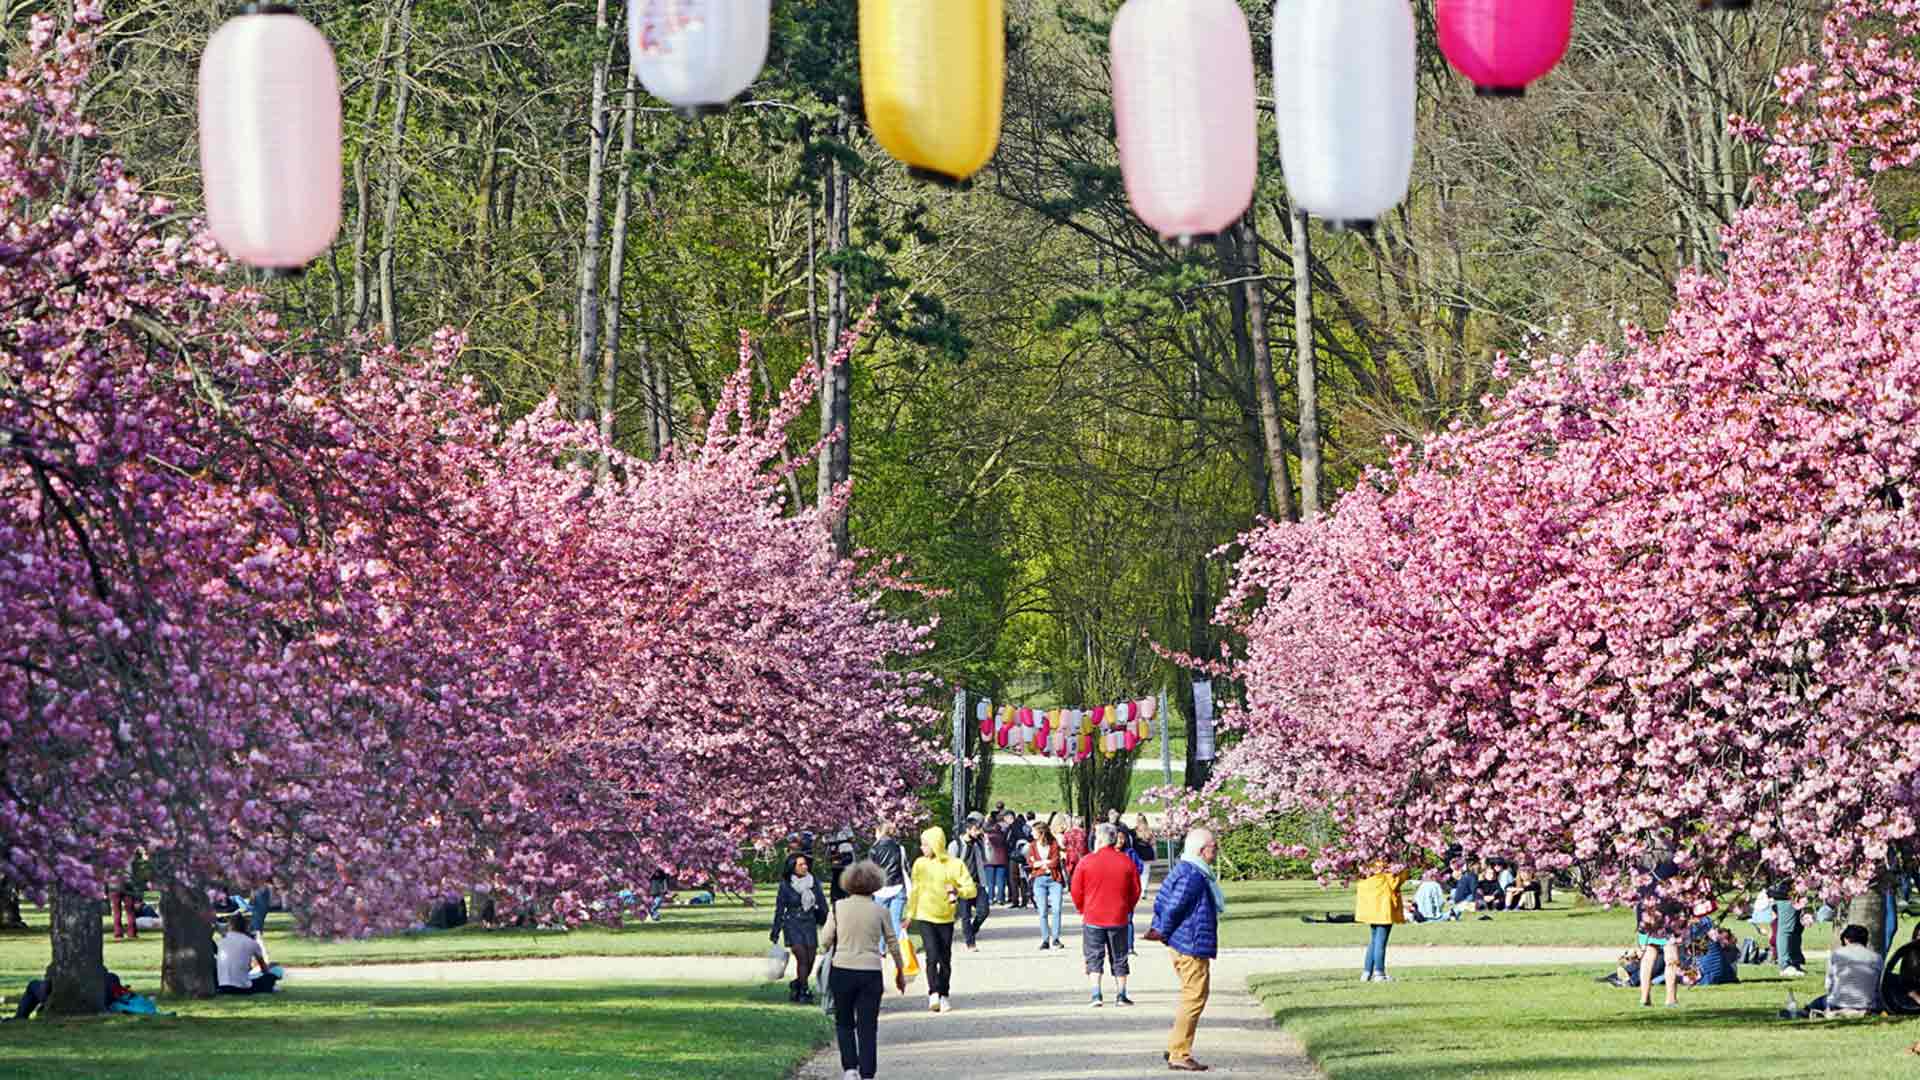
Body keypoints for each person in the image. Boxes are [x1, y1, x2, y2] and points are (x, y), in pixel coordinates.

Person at [821, 860, 907, 1080]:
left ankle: (850, 1068)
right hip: (870, 972)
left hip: (842, 969)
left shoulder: (838, 907)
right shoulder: (880, 911)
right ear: (875, 883)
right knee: (868, 1026)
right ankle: (868, 1072)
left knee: (844, 1021)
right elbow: (892, 943)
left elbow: (825, 941)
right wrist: (899, 970)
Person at [1151, 828, 1223, 1073]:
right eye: (1214, 846)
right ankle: (1180, 1052)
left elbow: (1161, 900)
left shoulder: (1185, 869)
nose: (1217, 849)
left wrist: (1162, 931)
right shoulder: (1193, 875)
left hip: (1184, 941)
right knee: (1194, 997)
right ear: (1203, 850)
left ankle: (1176, 1046)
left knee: (1191, 996)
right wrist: (1163, 932)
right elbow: (1171, 908)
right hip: (1190, 943)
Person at [904, 825, 978, 1013]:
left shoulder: (955, 865)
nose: (922, 848)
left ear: (936, 844)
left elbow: (971, 890)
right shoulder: (920, 864)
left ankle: (944, 994)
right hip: (925, 915)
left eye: (925, 845)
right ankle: (933, 993)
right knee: (931, 955)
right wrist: (910, 915)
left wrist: (957, 890)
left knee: (945, 958)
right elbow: (915, 890)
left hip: (945, 917)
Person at [1072, 823, 1141, 1007]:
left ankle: (1096, 993)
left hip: (1093, 915)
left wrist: (1083, 909)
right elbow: (1135, 890)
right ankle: (1121, 994)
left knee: (1094, 955)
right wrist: (1127, 908)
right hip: (1118, 916)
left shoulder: (1086, 862)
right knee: (1120, 955)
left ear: (1100, 839)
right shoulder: (1126, 861)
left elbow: (1076, 890)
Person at [772, 853, 828, 1004]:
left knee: (810, 959)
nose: (805, 867)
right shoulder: (786, 884)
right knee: (802, 958)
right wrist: (775, 931)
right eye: (800, 865)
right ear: (792, 867)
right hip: (792, 923)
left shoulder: (813, 881)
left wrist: (827, 921)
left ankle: (797, 983)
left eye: (805, 864)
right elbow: (779, 908)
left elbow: (822, 903)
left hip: (809, 922)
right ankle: (804, 990)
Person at [1809, 924, 1883, 1013]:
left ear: (1846, 939)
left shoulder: (1836, 955)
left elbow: (1828, 985)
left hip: (1838, 1005)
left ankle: (1805, 1011)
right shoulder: (1877, 958)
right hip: (1868, 1006)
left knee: (1817, 1002)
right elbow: (1879, 987)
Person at [1355, 866, 1408, 983]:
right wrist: (1404, 872)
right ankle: (1379, 972)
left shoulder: (1368, 864)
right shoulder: (1386, 866)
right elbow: (1394, 884)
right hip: (1383, 906)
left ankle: (1367, 972)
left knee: (1374, 940)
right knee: (1380, 941)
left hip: (1370, 905)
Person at [951, 815, 993, 950]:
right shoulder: (955, 845)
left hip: (978, 883)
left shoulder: (978, 843)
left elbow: (988, 859)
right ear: (968, 830)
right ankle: (970, 943)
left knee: (984, 911)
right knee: (965, 916)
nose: (978, 832)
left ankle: (971, 932)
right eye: (976, 830)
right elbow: (949, 865)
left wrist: (986, 843)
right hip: (962, 885)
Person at [1027, 820, 1068, 950]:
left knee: (1056, 909)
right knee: (1042, 911)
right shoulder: (1032, 845)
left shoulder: (1054, 844)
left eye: (1034, 831)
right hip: (1039, 880)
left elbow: (1055, 862)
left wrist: (1041, 863)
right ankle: (1045, 939)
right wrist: (1044, 863)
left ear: (1041, 833)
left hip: (1054, 879)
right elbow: (1030, 863)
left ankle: (1055, 939)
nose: (1031, 833)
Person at [216, 913, 279, 995]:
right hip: (242, 988)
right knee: (271, 976)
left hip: (222, 986)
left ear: (230, 926)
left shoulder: (222, 941)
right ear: (246, 927)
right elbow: (264, 969)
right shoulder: (251, 942)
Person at [869, 821, 909, 939]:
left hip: (881, 889)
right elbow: (906, 868)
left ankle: (881, 951)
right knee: (895, 921)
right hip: (898, 887)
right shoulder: (899, 848)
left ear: (880, 831)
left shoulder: (874, 849)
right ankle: (898, 949)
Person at [1770, 881, 1807, 977]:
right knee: (1786, 930)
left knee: (1796, 930)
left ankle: (1794, 963)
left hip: (1794, 894)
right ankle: (1785, 965)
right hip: (1785, 894)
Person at [111, 853, 148, 941]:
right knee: (130, 911)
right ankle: (131, 933)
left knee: (117, 912)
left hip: (114, 886)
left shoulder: (111, 858)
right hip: (128, 886)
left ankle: (118, 933)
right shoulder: (131, 858)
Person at [982, 815, 1011, 905]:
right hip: (1002, 859)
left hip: (989, 860)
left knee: (990, 882)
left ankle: (990, 898)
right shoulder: (1002, 833)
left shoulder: (986, 836)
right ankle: (1000, 898)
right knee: (1000, 881)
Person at [1061, 816, 1089, 885]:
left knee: (1071, 872)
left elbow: (1064, 843)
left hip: (1071, 855)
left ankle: (1072, 886)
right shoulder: (1084, 833)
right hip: (1081, 855)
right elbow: (1086, 844)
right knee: (1081, 873)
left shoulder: (1067, 833)